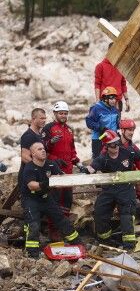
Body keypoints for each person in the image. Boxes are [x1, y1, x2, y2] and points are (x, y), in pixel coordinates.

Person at [84, 129, 140, 250]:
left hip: (126, 188)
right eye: (112, 145)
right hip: (109, 189)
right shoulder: (102, 158)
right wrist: (86, 170)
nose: (115, 147)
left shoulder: (128, 152)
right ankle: (105, 241)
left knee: (127, 215)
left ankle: (129, 246)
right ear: (107, 146)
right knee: (100, 212)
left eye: (117, 143)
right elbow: (92, 168)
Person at [21, 142, 81, 258]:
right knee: (33, 225)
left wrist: (72, 178)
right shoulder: (29, 167)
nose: (43, 151)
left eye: (43, 148)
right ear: (33, 154)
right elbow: (32, 185)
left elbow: (61, 179)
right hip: (31, 199)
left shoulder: (51, 165)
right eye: (39, 149)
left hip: (46, 198)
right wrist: (49, 183)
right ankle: (32, 253)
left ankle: (78, 244)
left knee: (62, 220)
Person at [42, 101, 81, 240]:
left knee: (67, 200)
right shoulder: (48, 128)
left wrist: (78, 162)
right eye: (61, 113)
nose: (63, 115)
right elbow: (41, 149)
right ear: (55, 114)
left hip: (68, 171)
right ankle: (53, 230)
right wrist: (52, 154)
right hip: (55, 171)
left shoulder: (69, 130)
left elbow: (72, 150)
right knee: (55, 200)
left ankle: (64, 227)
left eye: (65, 113)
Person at [115, 119, 140, 208]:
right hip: (116, 179)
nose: (132, 132)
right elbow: (102, 160)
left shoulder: (133, 147)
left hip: (132, 177)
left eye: (133, 130)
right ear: (122, 130)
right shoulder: (113, 145)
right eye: (129, 130)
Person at [86, 86, 120, 158]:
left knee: (113, 159)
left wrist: (120, 126)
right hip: (99, 139)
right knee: (98, 160)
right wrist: (100, 127)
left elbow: (117, 124)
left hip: (112, 139)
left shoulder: (115, 110)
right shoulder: (96, 108)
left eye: (115, 98)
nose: (114, 100)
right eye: (111, 98)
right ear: (105, 98)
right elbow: (89, 121)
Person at [95, 47, 130, 112]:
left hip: (118, 102)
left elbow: (123, 84)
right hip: (105, 103)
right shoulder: (100, 66)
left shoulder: (121, 67)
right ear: (109, 52)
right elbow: (97, 84)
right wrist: (97, 102)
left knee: (117, 122)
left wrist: (127, 100)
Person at [20, 108, 46, 185]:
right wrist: (40, 169)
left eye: (45, 118)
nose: (44, 120)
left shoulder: (39, 134)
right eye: (41, 118)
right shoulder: (28, 135)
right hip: (29, 177)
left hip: (37, 175)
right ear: (33, 119)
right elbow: (24, 157)